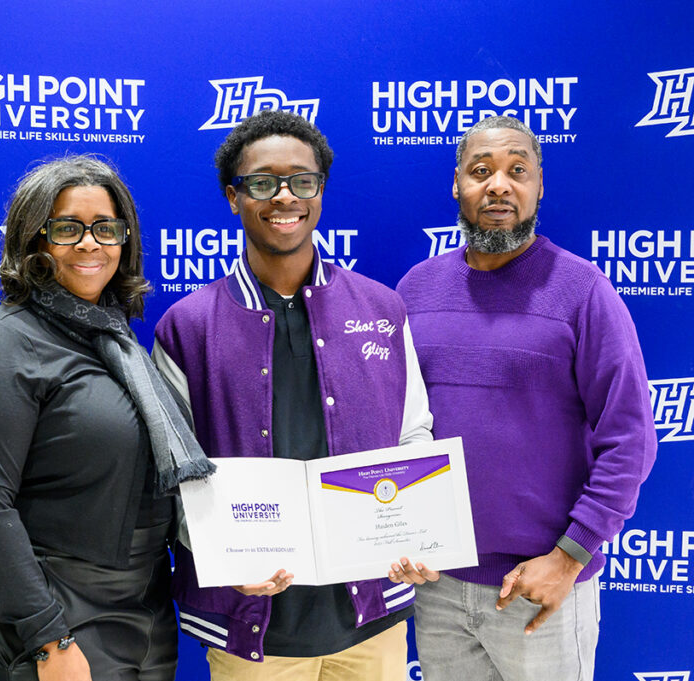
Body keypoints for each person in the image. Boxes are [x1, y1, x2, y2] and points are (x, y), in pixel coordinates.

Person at [152, 109, 434, 681]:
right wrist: (217, 554)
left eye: (301, 181)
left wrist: (419, 530)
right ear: (234, 197)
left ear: (320, 191)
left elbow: (413, 435)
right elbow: (170, 473)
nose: (284, 197)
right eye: (262, 182)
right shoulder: (187, 326)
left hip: (371, 617)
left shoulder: (382, 309)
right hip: (251, 625)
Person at [393, 115, 656, 681]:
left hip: (541, 589)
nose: (498, 185)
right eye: (480, 171)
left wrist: (569, 557)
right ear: (456, 184)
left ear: (539, 186)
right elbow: (394, 428)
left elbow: (630, 440)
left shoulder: (583, 291)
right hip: (437, 588)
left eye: (518, 170)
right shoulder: (414, 291)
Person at [0, 155, 213, 681]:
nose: (90, 244)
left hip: (143, 613)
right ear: (33, 241)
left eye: (105, 228)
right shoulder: (1, 347)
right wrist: (47, 638)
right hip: (51, 624)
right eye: (68, 228)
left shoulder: (119, 341)